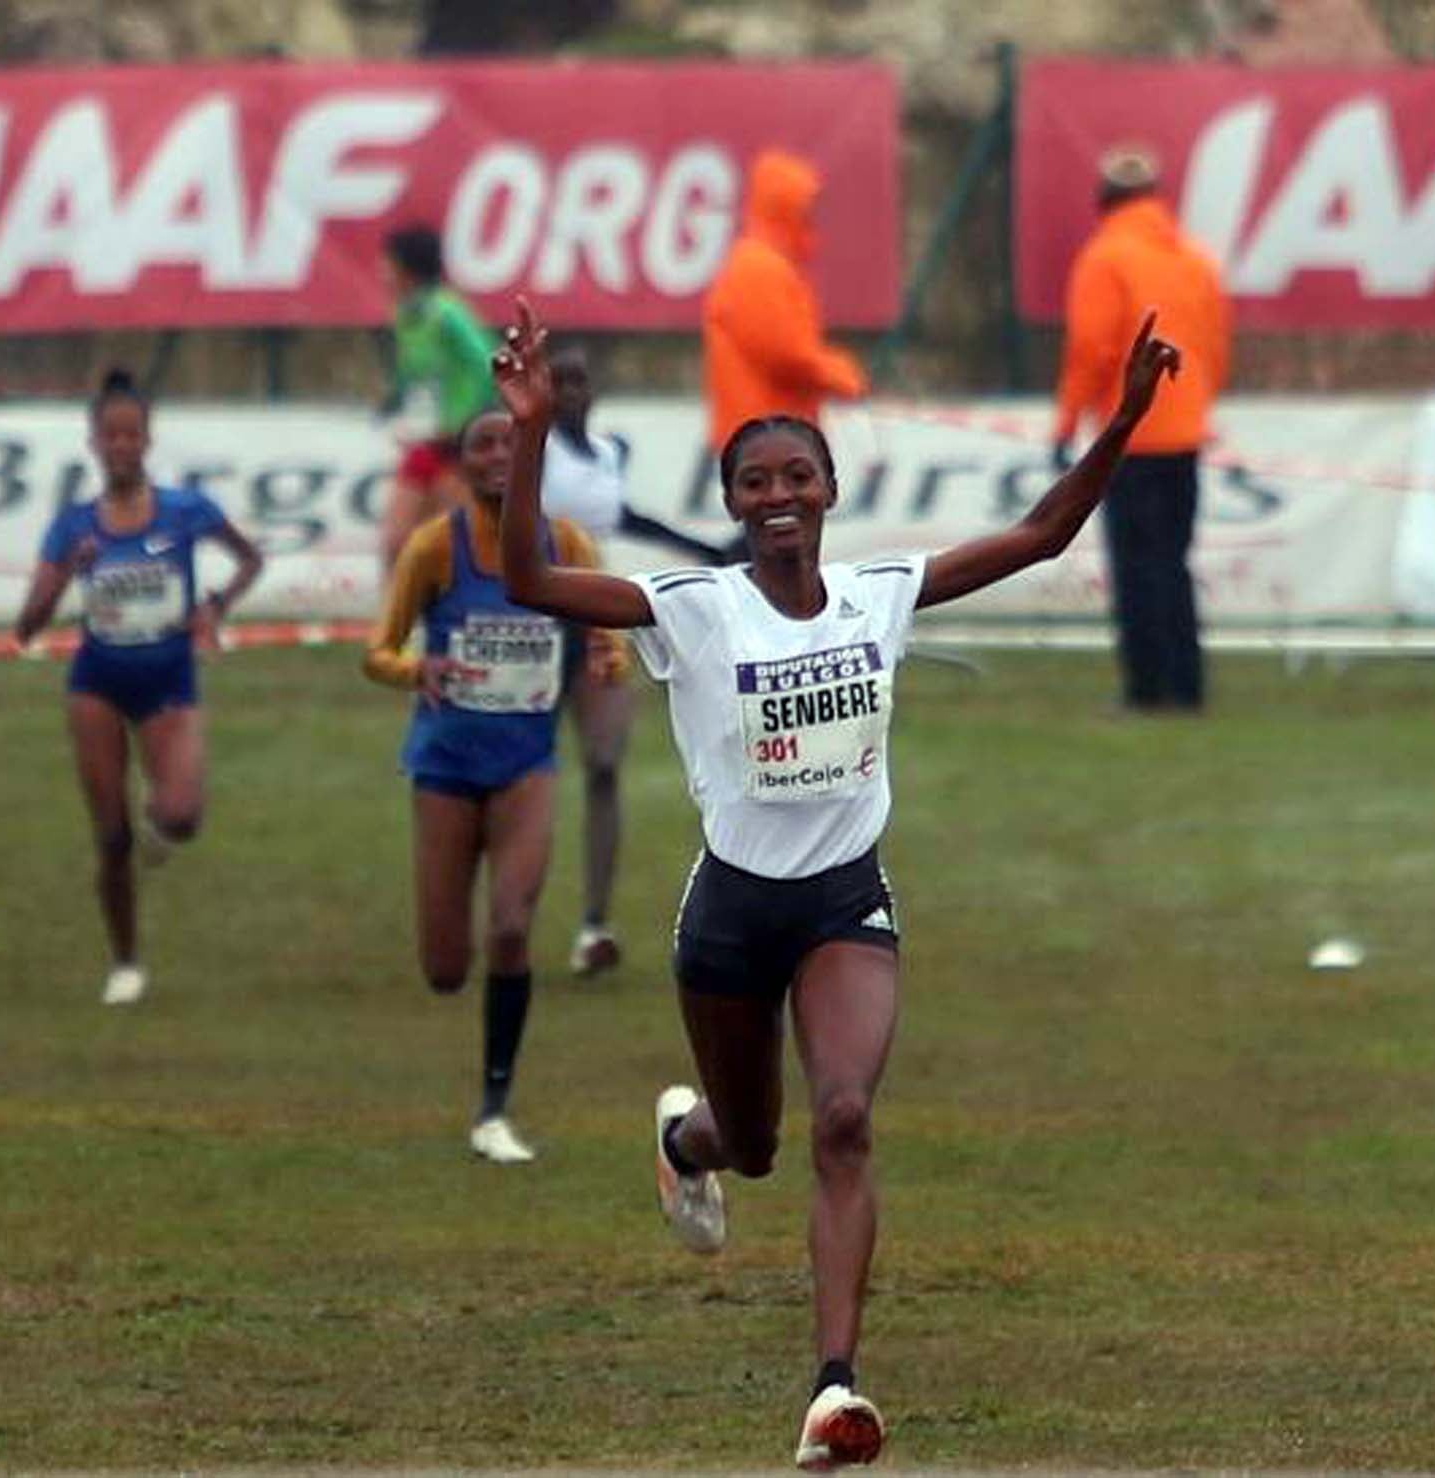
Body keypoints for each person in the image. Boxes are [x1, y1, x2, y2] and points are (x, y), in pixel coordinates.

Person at [493, 298, 1179, 1470]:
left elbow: (1039, 536)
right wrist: (527, 441)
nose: (775, 495)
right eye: (752, 480)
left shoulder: (880, 594)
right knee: (752, 1141)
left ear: (826, 492)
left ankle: (832, 1391)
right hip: (728, 914)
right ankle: (685, 1139)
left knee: (845, 1119)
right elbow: (529, 581)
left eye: (794, 475)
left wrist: (1118, 420)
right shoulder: (690, 609)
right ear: (731, 503)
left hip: (842, 904)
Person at [363, 405, 626, 1164]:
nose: (498, 457)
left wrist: (608, 664)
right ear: (463, 463)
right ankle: (485, 1093)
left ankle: (494, 1108)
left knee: (511, 928)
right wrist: (421, 669)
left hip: (525, 768)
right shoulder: (434, 548)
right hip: (444, 770)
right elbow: (377, 651)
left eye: (513, 444)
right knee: (447, 970)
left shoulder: (565, 544)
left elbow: (609, 640)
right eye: (483, 445)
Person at [15, 368, 264, 1007]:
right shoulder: (74, 526)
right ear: (94, 443)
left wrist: (215, 606)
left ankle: (161, 828)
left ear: (148, 440)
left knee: (181, 815)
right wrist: (71, 571)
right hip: (97, 681)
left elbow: (249, 558)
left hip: (169, 677)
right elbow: (27, 626)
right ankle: (125, 961)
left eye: (133, 434)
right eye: (111, 435)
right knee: (111, 836)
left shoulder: (185, 512)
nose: (123, 446)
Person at [541, 345, 728, 976]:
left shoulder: (610, 453)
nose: (569, 394)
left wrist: (706, 550)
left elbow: (623, 518)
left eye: (579, 382)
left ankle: (594, 925)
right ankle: (508, 910)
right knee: (520, 774)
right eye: (556, 383)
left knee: (602, 765)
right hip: (532, 627)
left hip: (596, 625)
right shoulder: (524, 453)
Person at [1052, 147, 1230, 713]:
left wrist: (1067, 422)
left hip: (1131, 432)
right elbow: (1215, 343)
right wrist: (1198, 404)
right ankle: (1187, 686)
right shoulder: (1194, 258)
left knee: (1135, 567)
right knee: (1174, 562)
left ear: (1104, 199)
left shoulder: (1105, 257)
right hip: (1185, 432)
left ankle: (1146, 689)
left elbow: (1093, 350)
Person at [702, 149, 868, 456]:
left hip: (769, 434)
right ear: (785, 206)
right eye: (807, 206)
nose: (814, 215)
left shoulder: (765, 264)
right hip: (764, 437)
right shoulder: (759, 267)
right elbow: (783, 354)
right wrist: (838, 373)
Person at [376, 223, 499, 572]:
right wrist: (393, 403)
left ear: (406, 269)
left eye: (387, 264)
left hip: (456, 447)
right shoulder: (403, 315)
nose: (382, 273)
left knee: (456, 546)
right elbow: (411, 373)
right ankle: (395, 623)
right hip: (424, 441)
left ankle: (457, 618)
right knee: (396, 543)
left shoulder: (447, 312)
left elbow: (486, 363)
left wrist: (467, 426)